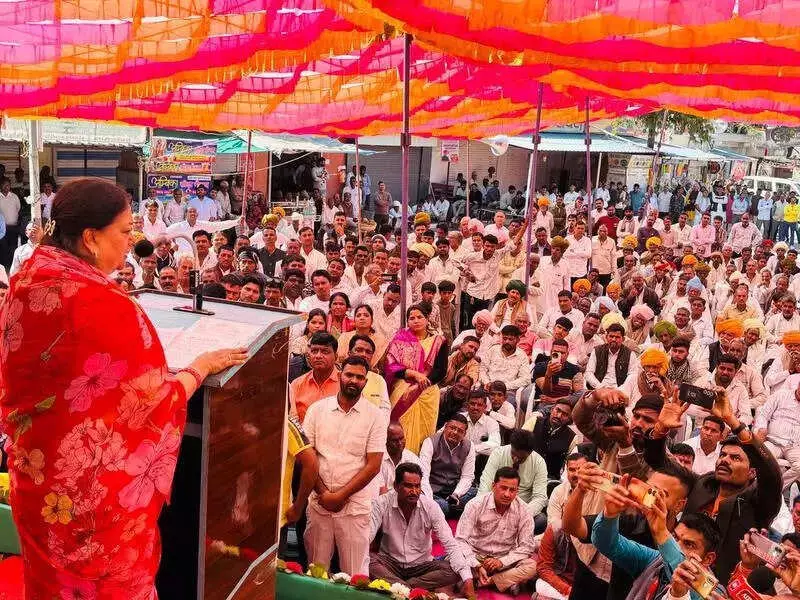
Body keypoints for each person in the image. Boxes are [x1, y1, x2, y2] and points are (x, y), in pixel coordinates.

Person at [0, 178, 248, 598]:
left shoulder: (27, 280)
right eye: (124, 230)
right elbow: (151, 401)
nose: (132, 239)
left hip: (38, 484)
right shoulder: (105, 304)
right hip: (93, 508)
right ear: (91, 238)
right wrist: (201, 366)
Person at [644, 389, 782, 583]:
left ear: (752, 472)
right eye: (722, 455)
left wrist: (733, 422)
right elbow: (657, 461)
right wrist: (660, 429)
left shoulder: (760, 502)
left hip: (722, 590)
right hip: (674, 575)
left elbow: (772, 474)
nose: (724, 460)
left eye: (735, 458)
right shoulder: (702, 483)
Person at [303, 356, 387, 575]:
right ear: (340, 375)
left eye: (360, 377)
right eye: (349, 375)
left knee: (355, 575)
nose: (354, 380)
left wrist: (340, 495)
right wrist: (323, 492)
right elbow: (307, 456)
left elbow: (374, 465)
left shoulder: (375, 417)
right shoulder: (317, 410)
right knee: (316, 572)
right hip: (319, 503)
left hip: (354, 507)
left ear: (366, 382)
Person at [369, 462, 473, 591]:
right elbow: (367, 536)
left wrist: (467, 579)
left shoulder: (430, 506)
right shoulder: (382, 503)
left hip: (421, 566)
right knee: (368, 560)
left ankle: (399, 588)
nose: (414, 491)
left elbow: (450, 543)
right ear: (396, 486)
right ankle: (410, 589)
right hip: (390, 564)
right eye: (408, 486)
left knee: (454, 571)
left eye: (417, 486)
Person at [456, 467, 537, 594]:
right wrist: (477, 565)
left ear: (517, 491)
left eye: (512, 490)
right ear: (493, 486)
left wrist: (501, 562)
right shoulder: (475, 505)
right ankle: (506, 582)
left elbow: (526, 547)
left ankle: (488, 581)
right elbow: (460, 540)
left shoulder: (524, 510)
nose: (507, 494)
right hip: (476, 557)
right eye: (503, 488)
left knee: (532, 566)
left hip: (504, 560)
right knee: (454, 558)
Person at [384, 305, 449, 454]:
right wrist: (414, 374)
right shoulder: (400, 339)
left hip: (427, 393)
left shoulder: (439, 341)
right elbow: (391, 366)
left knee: (424, 432)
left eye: (420, 317)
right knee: (400, 429)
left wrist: (423, 381)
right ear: (407, 321)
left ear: (427, 319)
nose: (416, 320)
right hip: (403, 390)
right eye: (412, 318)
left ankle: (419, 467)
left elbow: (441, 371)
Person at [478, 429, 548, 524]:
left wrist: (522, 514)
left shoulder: (539, 462)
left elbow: (540, 497)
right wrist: (487, 509)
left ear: (530, 453)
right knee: (474, 505)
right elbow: (485, 484)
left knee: (541, 519)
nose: (515, 459)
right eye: (513, 454)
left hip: (521, 511)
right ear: (511, 446)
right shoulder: (498, 453)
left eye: (521, 458)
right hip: (495, 505)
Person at [418, 413, 476, 516]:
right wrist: (430, 499)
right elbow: (423, 475)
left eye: (460, 431)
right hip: (433, 490)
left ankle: (443, 510)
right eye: (452, 428)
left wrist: (456, 494)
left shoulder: (469, 446)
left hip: (454, 491)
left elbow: (467, 477)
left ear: (464, 434)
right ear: (445, 427)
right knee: (442, 505)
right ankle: (448, 509)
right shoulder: (430, 442)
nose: (455, 432)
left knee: (475, 494)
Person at [279, 417, 318, 555]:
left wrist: (298, 506)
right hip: (242, 519)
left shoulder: (287, 423)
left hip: (276, 522)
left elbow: (311, 463)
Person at [754, 383, 800, 492]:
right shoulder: (781, 395)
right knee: (762, 459)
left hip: (794, 446)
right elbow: (763, 414)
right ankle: (755, 489)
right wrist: (762, 428)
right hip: (773, 441)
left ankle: (774, 490)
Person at [289, 331, 340, 423]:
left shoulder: (345, 384)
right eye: (314, 351)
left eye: (325, 351)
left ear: (336, 356)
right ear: (308, 355)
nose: (318, 356)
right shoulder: (296, 385)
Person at [478, 324, 530, 397]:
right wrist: (487, 382)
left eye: (510, 339)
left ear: (518, 340)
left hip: (507, 391)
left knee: (509, 401)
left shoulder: (522, 355)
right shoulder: (493, 350)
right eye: (505, 338)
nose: (507, 342)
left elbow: (525, 379)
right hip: (487, 388)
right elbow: (482, 369)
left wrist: (504, 386)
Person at [378, 422, 421, 493]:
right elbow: (381, 493)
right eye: (394, 440)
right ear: (386, 441)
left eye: (401, 438)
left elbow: (424, 486)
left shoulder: (412, 458)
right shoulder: (379, 459)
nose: (400, 443)